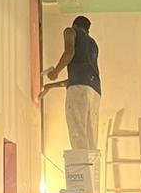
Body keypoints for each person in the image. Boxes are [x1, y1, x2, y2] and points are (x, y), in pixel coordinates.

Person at [42, 15, 101, 150]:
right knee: (90, 136)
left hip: (80, 88)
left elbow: (69, 52)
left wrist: (55, 72)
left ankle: (80, 162)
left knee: (77, 131)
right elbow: (78, 80)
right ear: (87, 31)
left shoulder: (70, 31)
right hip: (95, 91)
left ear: (74, 25)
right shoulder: (93, 45)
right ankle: (91, 164)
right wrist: (50, 86)